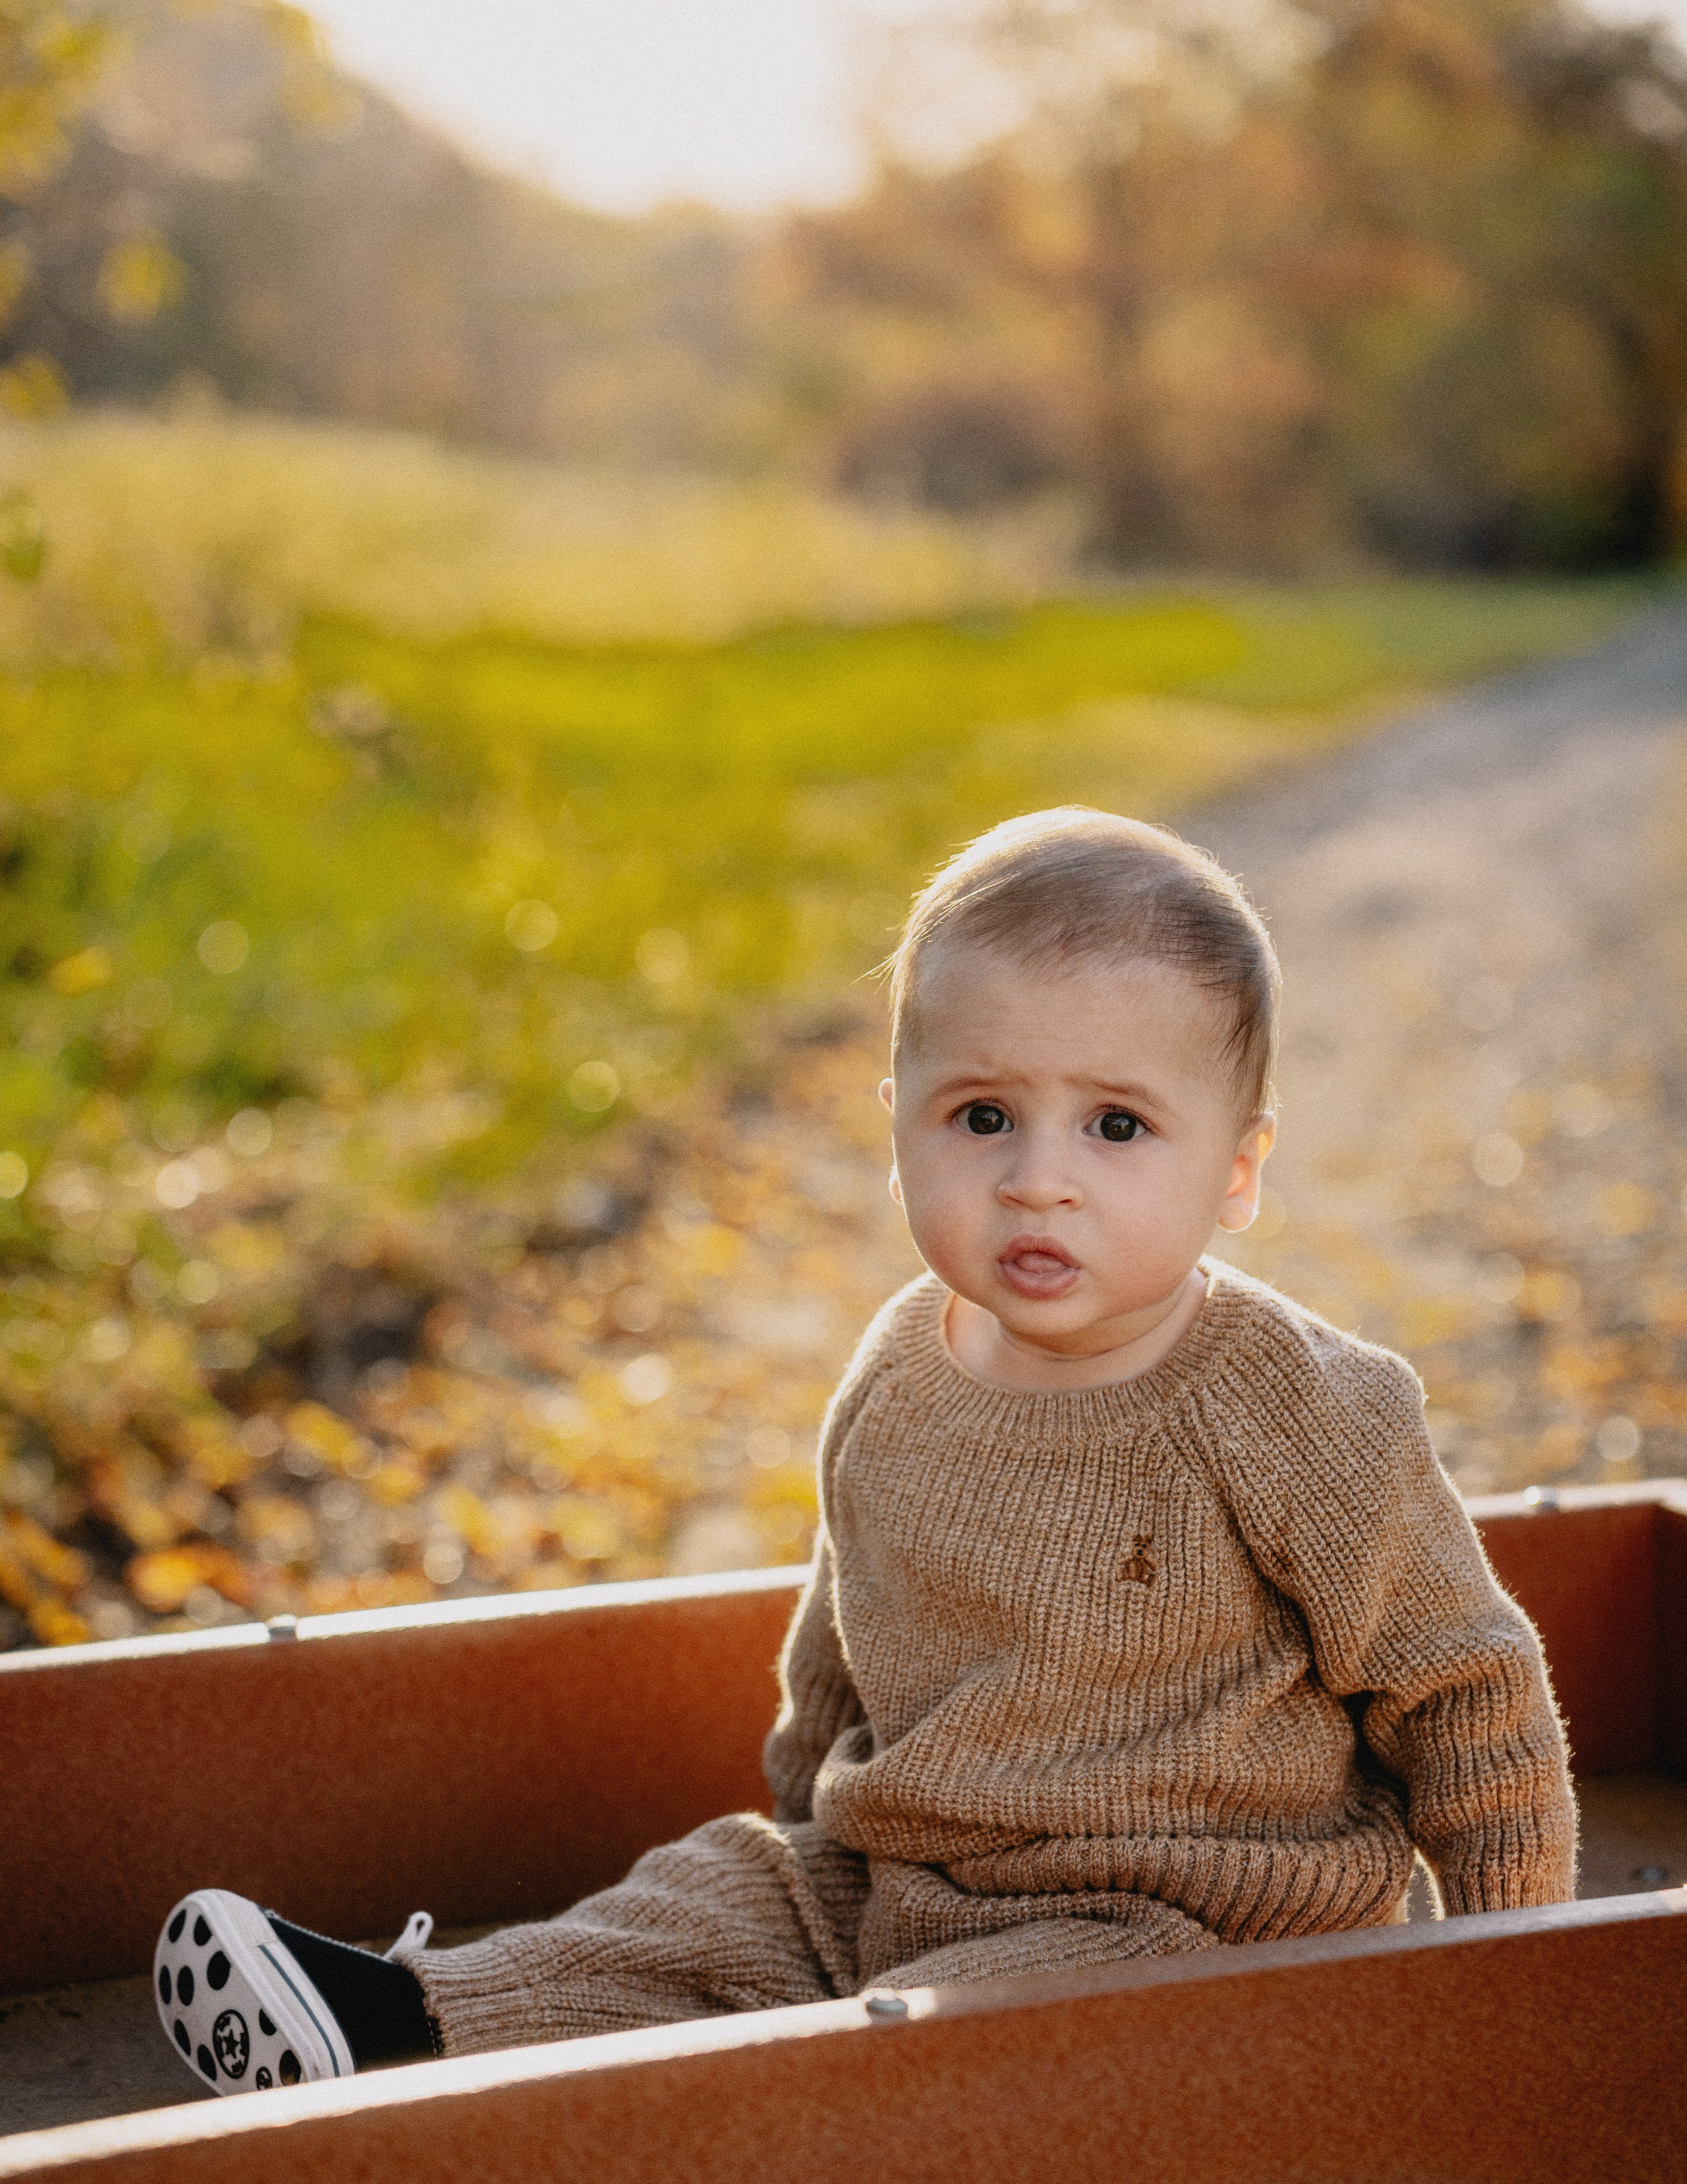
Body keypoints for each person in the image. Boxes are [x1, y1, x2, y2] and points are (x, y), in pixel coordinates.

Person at [155, 807, 1576, 2096]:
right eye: (979, 1116)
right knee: (706, 1898)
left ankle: (754, 2142)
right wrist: (802, 1828)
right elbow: (842, 1626)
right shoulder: (902, 1365)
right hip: (909, 1865)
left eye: (1117, 1125)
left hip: (1182, 1923)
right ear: (895, 1132)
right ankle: (400, 2022)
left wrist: (1515, 1977)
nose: (1037, 1176)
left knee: (953, 2037)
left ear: (1238, 1171)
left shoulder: (1297, 1410)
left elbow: (1462, 1690)